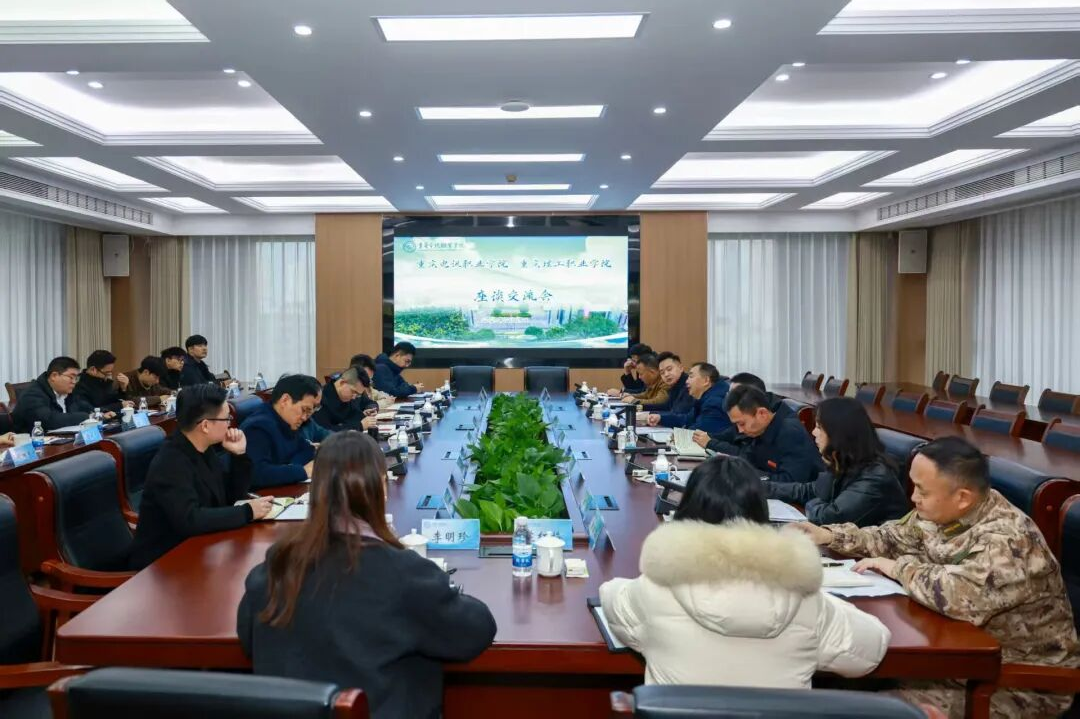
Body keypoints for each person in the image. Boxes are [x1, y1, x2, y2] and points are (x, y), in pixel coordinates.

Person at [798, 437, 1080, 718]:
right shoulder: (946, 510)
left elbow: (958, 596)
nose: (913, 497)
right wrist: (829, 535)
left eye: (922, 490)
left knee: (870, 711)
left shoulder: (1007, 540)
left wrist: (898, 568)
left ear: (962, 497)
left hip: (1012, 684)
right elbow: (891, 538)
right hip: (951, 661)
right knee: (826, 680)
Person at [237, 431, 497, 719]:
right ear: (381, 488)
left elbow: (249, 638)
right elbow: (476, 630)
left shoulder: (276, 565)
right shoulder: (400, 572)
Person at [598, 455, 890, 688]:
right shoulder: (806, 602)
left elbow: (610, 597)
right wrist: (820, 598)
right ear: (760, 514)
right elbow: (871, 649)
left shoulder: (654, 590)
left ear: (686, 511)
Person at [129, 384, 273, 569]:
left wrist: (239, 456)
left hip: (200, 547)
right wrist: (247, 512)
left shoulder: (203, 448)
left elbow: (229, 497)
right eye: (226, 418)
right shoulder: (171, 462)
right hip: (163, 565)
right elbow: (190, 519)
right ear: (205, 425)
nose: (230, 423)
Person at [766, 398, 909, 527]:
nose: (813, 432)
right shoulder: (843, 460)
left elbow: (828, 518)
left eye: (819, 427)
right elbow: (808, 491)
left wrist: (814, 501)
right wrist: (763, 488)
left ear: (838, 434)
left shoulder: (875, 477)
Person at [704, 384, 823, 486]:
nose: (740, 430)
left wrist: (747, 476)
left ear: (762, 413)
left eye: (741, 424)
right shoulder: (760, 428)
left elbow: (791, 482)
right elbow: (750, 459)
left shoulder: (790, 432)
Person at [241, 374, 320, 488]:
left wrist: (291, 466)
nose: (304, 418)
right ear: (285, 400)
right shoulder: (258, 428)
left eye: (309, 412)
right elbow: (256, 474)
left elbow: (305, 449)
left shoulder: (285, 420)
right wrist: (302, 471)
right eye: (304, 410)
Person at [645, 362, 731, 433]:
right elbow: (687, 419)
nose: (687, 381)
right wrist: (660, 418)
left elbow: (698, 433)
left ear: (706, 381)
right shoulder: (705, 398)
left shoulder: (715, 402)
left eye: (691, 376)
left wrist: (673, 437)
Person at [12, 356, 93, 431]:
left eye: (76, 378)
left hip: (64, 438)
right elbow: (47, 421)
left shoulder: (68, 392)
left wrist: (96, 414)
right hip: (33, 440)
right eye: (71, 377)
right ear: (54, 376)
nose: (74, 382)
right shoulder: (33, 394)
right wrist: (85, 417)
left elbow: (85, 408)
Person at [313, 367, 379, 432]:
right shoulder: (321, 399)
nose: (354, 397)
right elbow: (324, 431)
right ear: (342, 383)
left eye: (358, 394)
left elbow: (355, 415)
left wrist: (364, 415)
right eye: (353, 392)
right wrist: (360, 426)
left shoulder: (350, 396)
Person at [72, 350, 129, 415]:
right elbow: (90, 411)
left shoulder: (106, 382)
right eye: (106, 373)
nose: (108, 376)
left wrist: (123, 388)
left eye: (110, 372)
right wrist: (119, 406)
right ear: (93, 369)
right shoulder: (79, 386)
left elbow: (115, 401)